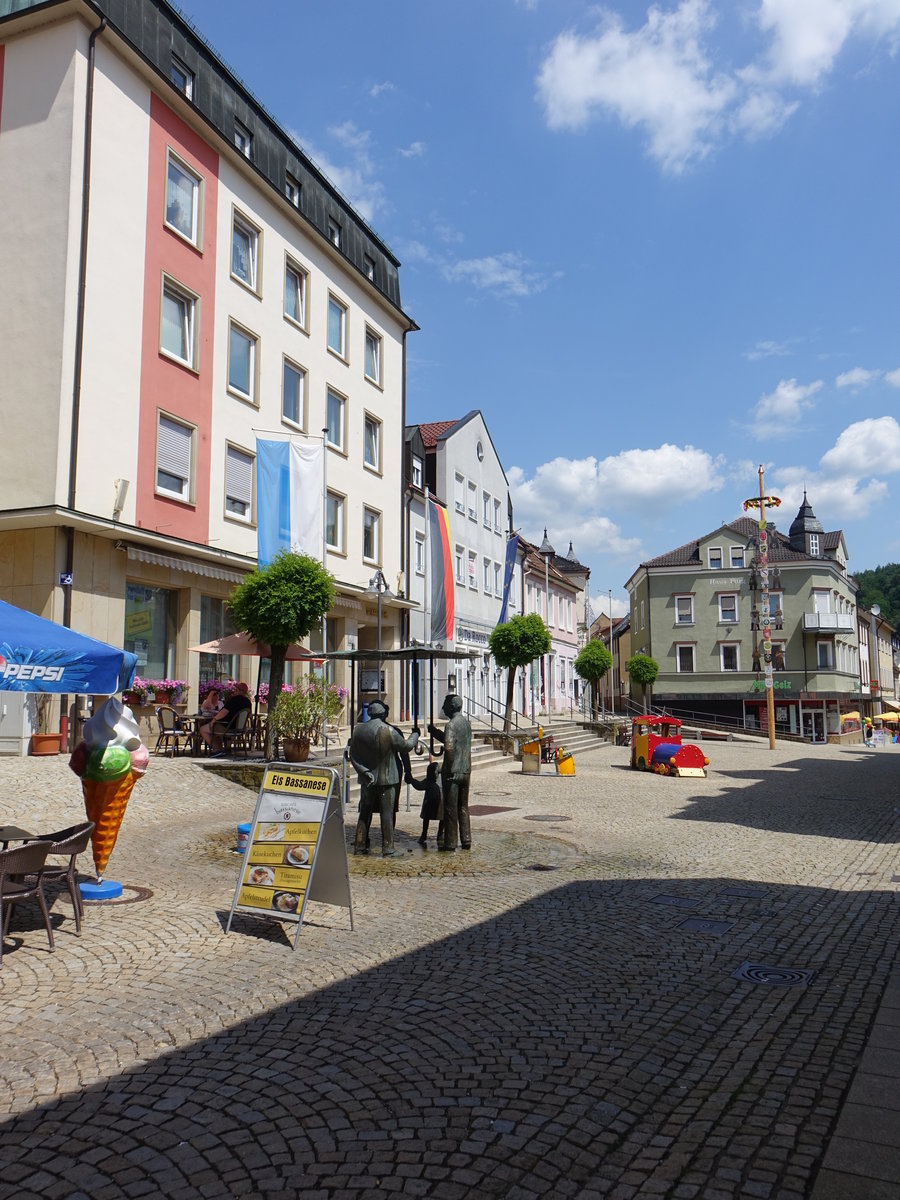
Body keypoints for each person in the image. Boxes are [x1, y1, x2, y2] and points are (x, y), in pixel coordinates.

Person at [347, 700, 419, 856]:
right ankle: (388, 848)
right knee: (387, 813)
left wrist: (364, 772)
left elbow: (353, 755)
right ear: (383, 713)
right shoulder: (389, 730)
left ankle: (359, 845)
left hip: (368, 778)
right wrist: (415, 735)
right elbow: (405, 747)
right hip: (387, 779)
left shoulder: (358, 731)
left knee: (365, 811)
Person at [428, 692, 472, 852]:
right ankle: (466, 838)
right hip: (465, 770)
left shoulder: (451, 725)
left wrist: (450, 767)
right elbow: (454, 741)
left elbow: (449, 747)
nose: (442, 708)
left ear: (451, 706)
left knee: (450, 808)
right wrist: (435, 732)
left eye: (445, 705)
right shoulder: (465, 723)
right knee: (463, 807)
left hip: (453, 773)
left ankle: (451, 842)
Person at [203, 681, 251, 756]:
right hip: (239, 728)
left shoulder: (233, 700)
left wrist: (214, 720)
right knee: (215, 730)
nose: (234, 691)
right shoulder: (248, 702)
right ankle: (221, 749)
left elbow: (224, 712)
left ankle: (217, 750)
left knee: (203, 729)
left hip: (228, 727)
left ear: (238, 690)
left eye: (235, 689)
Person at [407, 761, 442, 846]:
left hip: (436, 803)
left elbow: (419, 785)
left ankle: (436, 834)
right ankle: (431, 834)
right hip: (433, 803)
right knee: (435, 818)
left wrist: (411, 780)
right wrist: (412, 780)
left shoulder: (432, 781)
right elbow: (419, 785)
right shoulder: (430, 781)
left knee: (439, 817)